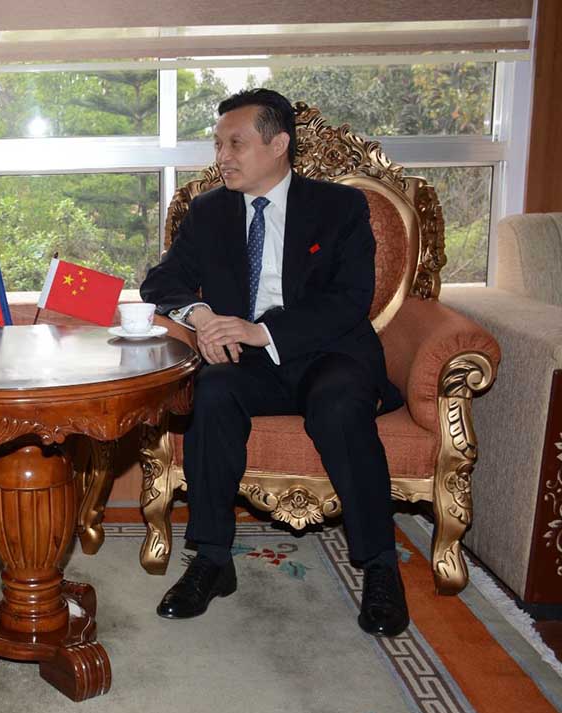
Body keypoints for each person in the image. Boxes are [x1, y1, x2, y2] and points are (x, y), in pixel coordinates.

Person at [140, 88, 409, 636]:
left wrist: (261, 331)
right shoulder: (209, 212)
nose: (222, 157)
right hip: (246, 362)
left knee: (339, 406)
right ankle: (212, 560)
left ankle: (381, 566)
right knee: (212, 393)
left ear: (279, 143)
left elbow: (350, 300)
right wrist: (201, 315)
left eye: (235, 143)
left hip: (328, 353)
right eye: (218, 145)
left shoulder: (339, 208)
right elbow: (161, 282)